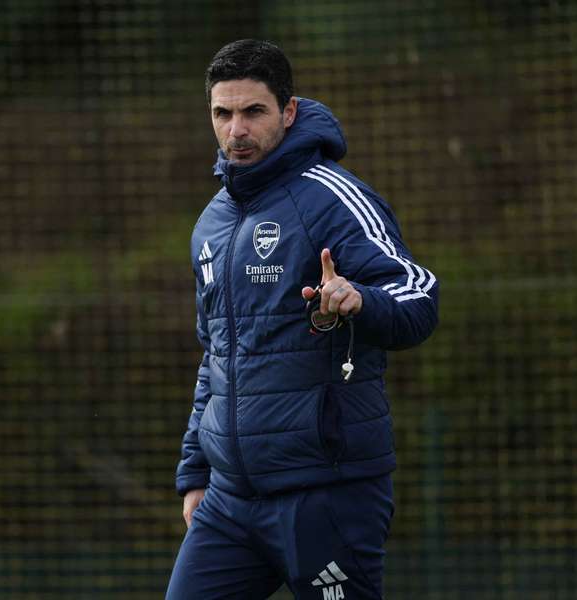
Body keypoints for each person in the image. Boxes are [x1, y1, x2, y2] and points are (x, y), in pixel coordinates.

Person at [166, 39, 439, 600]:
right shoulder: (212, 224)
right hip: (231, 500)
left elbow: (418, 297)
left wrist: (361, 300)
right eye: (223, 113)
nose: (236, 129)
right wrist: (196, 471)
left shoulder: (332, 197)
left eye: (253, 111)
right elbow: (216, 355)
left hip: (325, 490)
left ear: (288, 113)